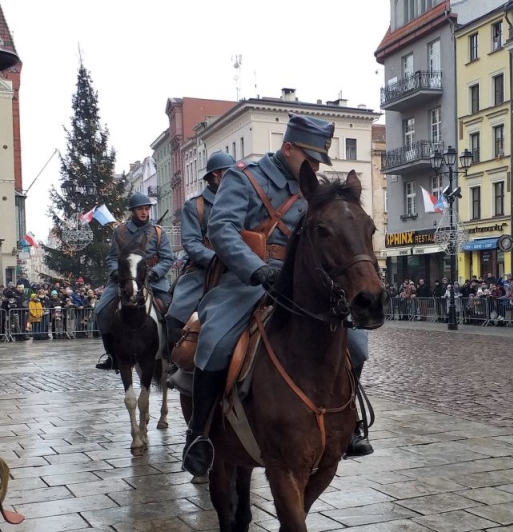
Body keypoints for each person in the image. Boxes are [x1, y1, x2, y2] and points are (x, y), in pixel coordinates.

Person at [182, 113, 371, 477]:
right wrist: (254, 268)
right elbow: (222, 229)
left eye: (319, 161)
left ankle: (350, 425)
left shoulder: (311, 188)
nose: (315, 166)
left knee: (358, 343)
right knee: (216, 341)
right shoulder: (245, 178)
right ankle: (199, 435)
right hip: (248, 280)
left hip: (301, 284)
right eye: (310, 158)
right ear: (288, 148)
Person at [165, 151, 235, 363]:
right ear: (216, 175)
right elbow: (191, 243)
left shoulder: (241, 201)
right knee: (175, 314)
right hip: (204, 270)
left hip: (239, 268)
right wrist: (215, 259)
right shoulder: (195, 205)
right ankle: (176, 361)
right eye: (230, 174)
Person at [94, 194, 175, 370]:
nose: (144, 212)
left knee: (172, 311)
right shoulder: (121, 231)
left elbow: (168, 258)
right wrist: (116, 272)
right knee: (101, 311)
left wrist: (155, 273)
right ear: (132, 211)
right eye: (140, 209)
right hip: (124, 281)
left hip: (154, 281)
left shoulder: (159, 232)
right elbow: (113, 257)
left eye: (147, 209)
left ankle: (171, 353)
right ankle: (112, 356)